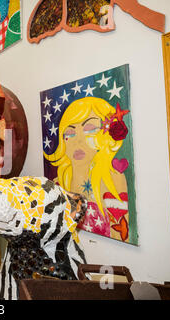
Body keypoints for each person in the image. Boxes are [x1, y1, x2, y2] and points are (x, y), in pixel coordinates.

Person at [44, 97, 130, 242]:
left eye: (90, 130)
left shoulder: (114, 180)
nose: (79, 140)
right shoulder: (57, 185)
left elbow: (121, 235)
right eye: (70, 133)